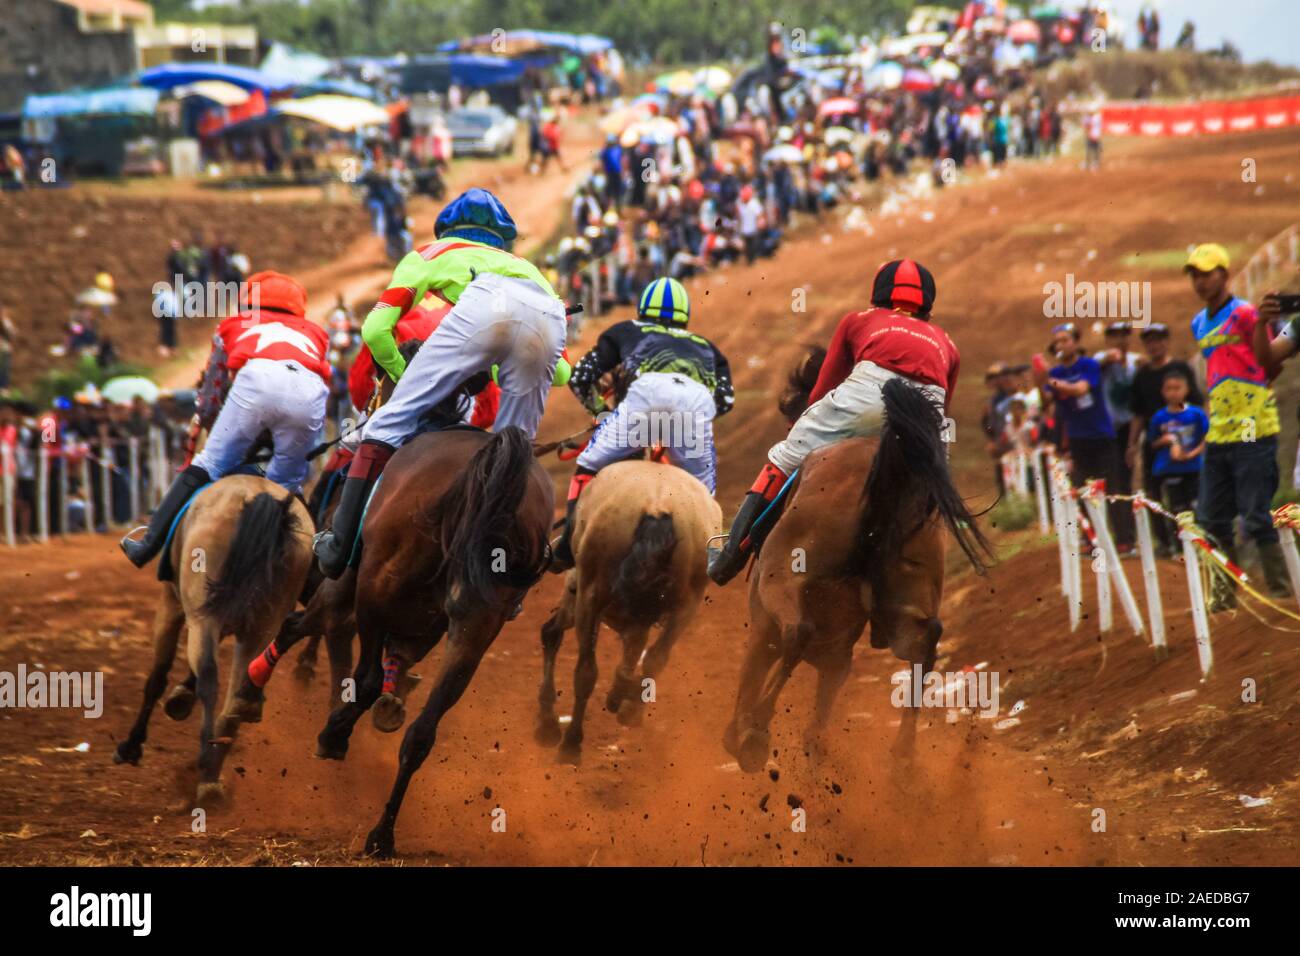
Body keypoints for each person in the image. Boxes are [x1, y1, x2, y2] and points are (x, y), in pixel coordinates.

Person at [312, 188, 571, 579]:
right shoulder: (528, 268)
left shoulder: (430, 254)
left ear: (446, 229)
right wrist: (494, 366)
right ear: (503, 239)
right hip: (547, 314)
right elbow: (563, 375)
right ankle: (506, 571)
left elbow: (375, 329)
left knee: (386, 423)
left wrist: (408, 378)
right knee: (513, 447)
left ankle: (338, 547)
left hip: (484, 307)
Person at [708, 259, 958, 585]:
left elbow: (825, 385)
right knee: (934, 491)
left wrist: (805, 426)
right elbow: (945, 407)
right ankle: (923, 576)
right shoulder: (947, 344)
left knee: (783, 458)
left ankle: (730, 557)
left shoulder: (859, 320)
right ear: (927, 306)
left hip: (866, 398)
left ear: (878, 296)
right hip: (925, 412)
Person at [121, 271, 331, 568]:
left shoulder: (232, 325)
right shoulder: (316, 332)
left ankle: (147, 544)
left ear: (250, 300)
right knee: (286, 484)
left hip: (256, 382)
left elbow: (211, 393)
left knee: (210, 463)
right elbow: (323, 377)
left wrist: (209, 422)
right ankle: (314, 573)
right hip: (309, 392)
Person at [551, 277, 734, 571]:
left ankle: (567, 546)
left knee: (587, 463)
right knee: (704, 492)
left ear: (642, 308)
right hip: (695, 405)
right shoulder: (707, 347)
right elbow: (725, 401)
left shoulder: (625, 330)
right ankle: (712, 553)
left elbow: (581, 376)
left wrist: (602, 414)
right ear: (685, 316)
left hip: (644, 398)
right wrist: (691, 420)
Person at [1186, 243, 1289, 600]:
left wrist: (1255, 389)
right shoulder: (1198, 323)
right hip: (1219, 429)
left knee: (1255, 515)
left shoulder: (1246, 314)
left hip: (1254, 426)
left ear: (1224, 274)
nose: (1200, 281)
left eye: (1207, 273)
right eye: (1195, 275)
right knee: (1212, 518)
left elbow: (1272, 361)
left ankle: (1280, 592)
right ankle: (1226, 592)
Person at [1127, 322, 1204, 554]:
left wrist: (1200, 441)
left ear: (1166, 341)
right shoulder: (1142, 375)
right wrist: (1131, 444)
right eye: (1149, 341)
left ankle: (1194, 540)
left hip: (1188, 442)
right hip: (1155, 442)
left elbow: (1199, 404)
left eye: (1158, 340)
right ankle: (1164, 541)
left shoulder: (1181, 368)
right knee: (1154, 494)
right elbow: (1138, 413)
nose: (1154, 345)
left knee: (1191, 495)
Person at [1147, 368, 1208, 538]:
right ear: (1163, 391)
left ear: (1186, 390)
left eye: (1177, 388)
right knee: (1177, 508)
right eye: (1169, 389)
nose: (1173, 393)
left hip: (1193, 467)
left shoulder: (1196, 414)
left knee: (1196, 505)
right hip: (1169, 468)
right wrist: (1165, 440)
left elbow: (1206, 438)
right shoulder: (1159, 417)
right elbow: (1153, 442)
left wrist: (1192, 454)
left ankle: (1200, 543)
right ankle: (1180, 546)